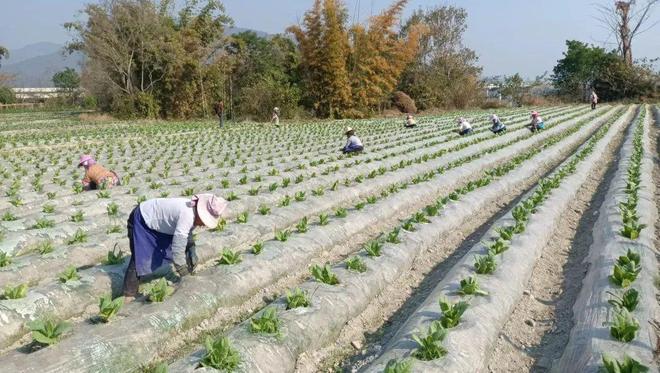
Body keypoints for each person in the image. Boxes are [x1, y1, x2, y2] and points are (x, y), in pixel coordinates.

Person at [122, 194, 228, 299]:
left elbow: (187, 233)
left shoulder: (193, 211)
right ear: (201, 213)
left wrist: (191, 247)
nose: (203, 225)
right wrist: (183, 273)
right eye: (204, 221)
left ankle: (188, 269)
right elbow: (177, 249)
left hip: (158, 223)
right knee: (141, 256)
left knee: (180, 246)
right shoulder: (187, 215)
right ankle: (129, 294)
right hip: (142, 219)